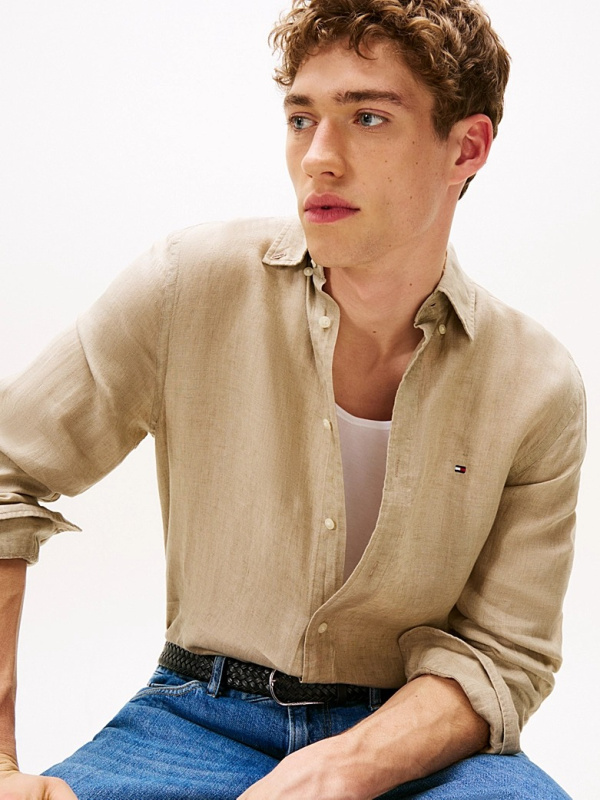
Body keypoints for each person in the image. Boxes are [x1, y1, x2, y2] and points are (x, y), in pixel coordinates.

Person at [0, 0, 586, 798]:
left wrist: (346, 766)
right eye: (301, 119)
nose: (319, 158)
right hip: (194, 719)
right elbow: (9, 465)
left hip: (420, 743)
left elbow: (503, 656)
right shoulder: (189, 283)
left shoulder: (537, 385)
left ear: (467, 147)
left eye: (368, 118)